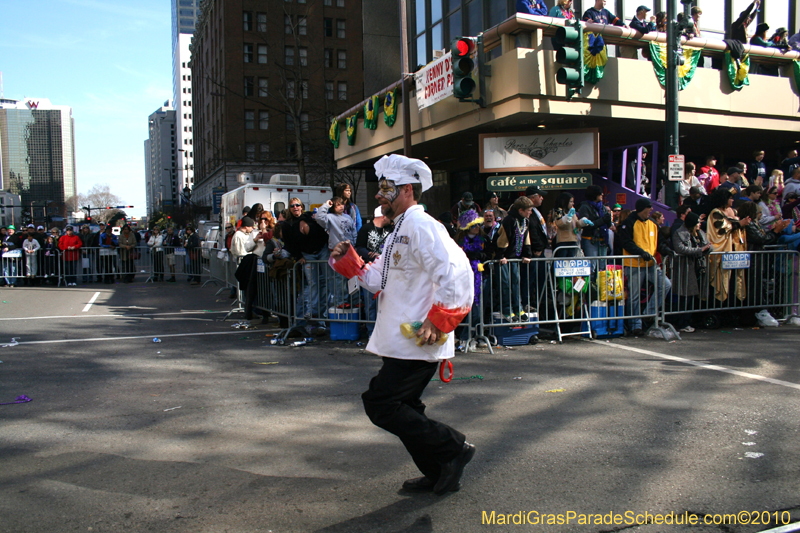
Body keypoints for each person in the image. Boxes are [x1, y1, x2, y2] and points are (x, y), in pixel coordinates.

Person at [329, 154, 475, 496]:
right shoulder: (401, 229)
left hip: (417, 339)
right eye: (380, 188)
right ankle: (440, 469)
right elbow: (378, 279)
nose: (379, 195)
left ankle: (454, 449)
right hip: (404, 339)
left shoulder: (421, 226)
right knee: (405, 407)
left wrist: (440, 320)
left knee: (381, 403)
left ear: (407, 190)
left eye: (385, 189)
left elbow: (458, 272)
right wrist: (348, 259)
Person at [618, 198, 672, 335]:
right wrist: (641, 253)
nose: (651, 211)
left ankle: (648, 314)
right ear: (642, 209)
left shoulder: (653, 224)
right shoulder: (629, 223)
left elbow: (660, 242)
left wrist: (666, 250)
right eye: (649, 209)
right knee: (634, 296)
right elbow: (626, 243)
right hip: (634, 264)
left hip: (651, 264)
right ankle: (635, 324)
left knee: (666, 285)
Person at [494, 196, 534, 321]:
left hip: (514, 257)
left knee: (516, 282)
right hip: (504, 258)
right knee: (505, 284)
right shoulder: (509, 220)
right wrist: (501, 256)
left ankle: (518, 308)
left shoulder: (525, 221)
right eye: (528, 210)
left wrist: (527, 254)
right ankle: (506, 309)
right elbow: (503, 239)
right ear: (521, 210)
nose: (530, 212)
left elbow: (526, 238)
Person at [669, 212, 710, 333]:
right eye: (697, 222)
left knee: (693, 296)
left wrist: (705, 249)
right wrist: (699, 250)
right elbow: (680, 248)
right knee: (684, 297)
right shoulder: (679, 233)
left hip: (697, 267)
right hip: (684, 268)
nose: (699, 224)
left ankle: (689, 320)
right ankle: (682, 323)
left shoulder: (700, 233)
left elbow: (708, 245)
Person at [706, 188, 749, 303]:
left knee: (735, 282)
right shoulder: (715, 213)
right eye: (730, 198)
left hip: (735, 253)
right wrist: (739, 223)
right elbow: (721, 229)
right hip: (722, 253)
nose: (732, 200)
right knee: (721, 282)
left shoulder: (733, 211)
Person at [355, 206, 393, 334]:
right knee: (370, 303)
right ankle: (372, 331)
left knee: (386, 302)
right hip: (370, 269)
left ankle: (383, 331)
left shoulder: (391, 229)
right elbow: (358, 247)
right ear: (383, 216)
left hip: (387, 270)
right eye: (389, 216)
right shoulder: (366, 229)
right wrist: (369, 254)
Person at [315, 196, 358, 307]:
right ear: (333, 206)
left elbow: (353, 231)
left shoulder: (348, 217)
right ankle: (341, 301)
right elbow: (319, 217)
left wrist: (353, 244)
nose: (341, 207)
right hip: (337, 251)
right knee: (338, 279)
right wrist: (326, 205)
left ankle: (355, 300)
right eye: (338, 205)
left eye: (342, 204)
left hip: (349, 250)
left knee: (352, 276)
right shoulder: (330, 217)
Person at [578, 185, 613, 258]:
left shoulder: (602, 207)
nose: (602, 195)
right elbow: (587, 225)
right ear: (594, 195)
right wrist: (602, 220)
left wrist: (608, 219)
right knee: (592, 264)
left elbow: (608, 225)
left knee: (602, 265)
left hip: (602, 240)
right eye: (600, 193)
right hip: (590, 239)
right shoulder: (585, 207)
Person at [552, 192, 591, 257]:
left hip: (573, 240)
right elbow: (559, 224)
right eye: (571, 202)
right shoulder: (558, 211)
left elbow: (576, 223)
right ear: (565, 201)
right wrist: (567, 218)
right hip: (563, 241)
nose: (573, 203)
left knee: (571, 261)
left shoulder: (572, 211)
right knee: (562, 261)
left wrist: (583, 222)